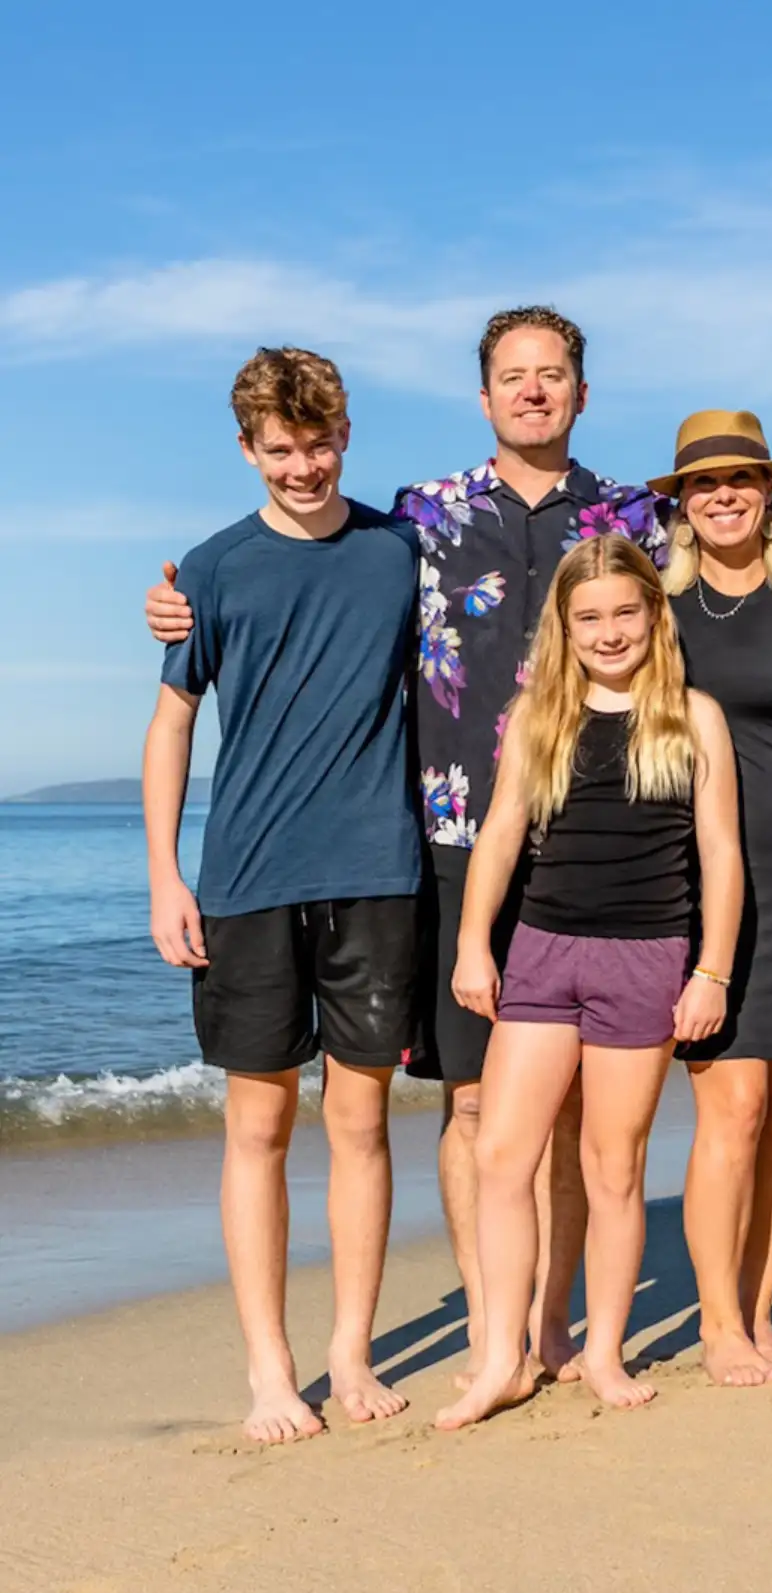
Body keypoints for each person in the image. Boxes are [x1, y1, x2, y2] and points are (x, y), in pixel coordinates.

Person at [142, 308, 666, 1386]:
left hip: (554, 846)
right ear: (482, 398)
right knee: (451, 1104)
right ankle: (468, 1341)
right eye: (512, 376)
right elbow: (192, 691)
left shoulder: (605, 520)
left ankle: (543, 1330)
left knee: (495, 1114)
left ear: (579, 389)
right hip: (426, 844)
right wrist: (163, 870)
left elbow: (699, 600)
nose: (532, 390)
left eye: (551, 374)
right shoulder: (418, 519)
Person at [143, 348, 424, 1442]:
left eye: (319, 445)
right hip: (248, 880)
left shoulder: (399, 553)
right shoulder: (209, 573)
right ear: (247, 448)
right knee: (257, 1125)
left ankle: (352, 1351)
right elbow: (173, 725)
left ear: (345, 433)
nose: (303, 468)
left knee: (359, 1120)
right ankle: (271, 1367)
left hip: (378, 871)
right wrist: (167, 874)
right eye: (280, 450)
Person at [434, 535, 743, 1429]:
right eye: (589, 618)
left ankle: (602, 1351)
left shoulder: (694, 715)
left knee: (612, 1169)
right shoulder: (539, 715)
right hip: (540, 949)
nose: (609, 632)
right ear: (563, 629)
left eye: (624, 612)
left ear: (653, 612)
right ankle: (504, 1354)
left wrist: (710, 971)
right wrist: (472, 946)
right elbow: (497, 837)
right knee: (500, 1153)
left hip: (645, 958)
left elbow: (721, 855)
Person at [648, 411, 772, 1388]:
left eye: (741, 479)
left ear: (768, 493)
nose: (724, 495)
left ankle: (760, 1311)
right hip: (705, 886)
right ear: (680, 503)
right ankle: (717, 1325)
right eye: (703, 484)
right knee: (729, 1110)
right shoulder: (655, 606)